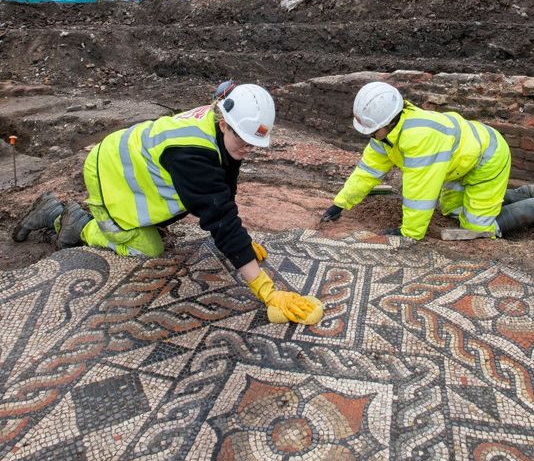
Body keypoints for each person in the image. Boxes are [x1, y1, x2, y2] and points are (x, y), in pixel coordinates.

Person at [13, 83, 323, 325]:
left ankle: (86, 216)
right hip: (109, 174)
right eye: (244, 139)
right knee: (148, 248)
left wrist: (241, 244)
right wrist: (266, 291)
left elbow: (223, 190)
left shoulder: (220, 130)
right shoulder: (193, 154)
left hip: (132, 169)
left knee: (188, 203)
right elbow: (219, 217)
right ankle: (71, 221)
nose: (248, 148)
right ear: (225, 123)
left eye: (254, 143)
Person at [319, 81, 534, 242]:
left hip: (486, 160)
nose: (368, 136)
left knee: (475, 227)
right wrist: (340, 204)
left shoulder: (419, 138)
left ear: (388, 121)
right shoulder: (385, 136)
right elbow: (366, 172)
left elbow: (419, 192)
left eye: (371, 130)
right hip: (460, 163)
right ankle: (522, 194)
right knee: (451, 212)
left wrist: (409, 233)